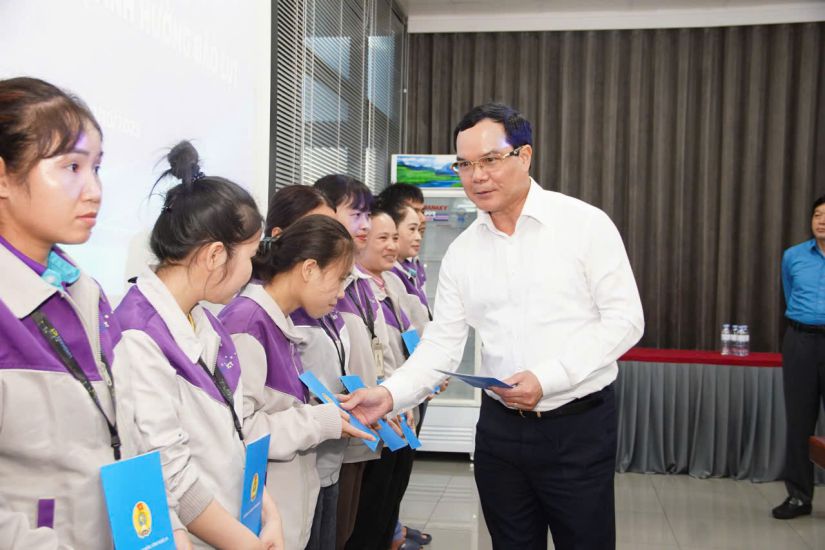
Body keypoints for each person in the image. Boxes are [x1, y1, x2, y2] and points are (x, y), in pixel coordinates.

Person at [342, 102, 644, 550]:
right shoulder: (464, 252)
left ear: (524, 156)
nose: (476, 176)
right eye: (465, 164)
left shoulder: (584, 225)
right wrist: (388, 395)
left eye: (489, 161)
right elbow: (442, 346)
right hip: (500, 431)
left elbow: (625, 320)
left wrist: (548, 377)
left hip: (576, 426)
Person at [114, 141, 282, 549]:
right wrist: (242, 540)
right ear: (214, 255)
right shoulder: (138, 336)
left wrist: (267, 510)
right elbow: (169, 474)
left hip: (233, 525)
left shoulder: (203, 320)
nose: (250, 270)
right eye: (248, 256)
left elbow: (235, 431)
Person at [0, 76, 140, 549]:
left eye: (97, 167)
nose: (95, 190)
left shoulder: (86, 293)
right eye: (72, 167)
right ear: (3, 176)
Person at [219, 213, 373, 550]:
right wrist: (321, 420)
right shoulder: (248, 323)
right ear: (309, 269)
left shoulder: (276, 321)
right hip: (261, 518)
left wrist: (334, 409)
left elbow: (279, 408)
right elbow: (241, 432)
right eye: (340, 277)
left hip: (286, 510)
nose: (342, 292)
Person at [773, 194, 825, 520]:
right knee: (799, 422)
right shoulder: (793, 256)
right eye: (817, 214)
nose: (822, 220)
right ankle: (799, 497)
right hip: (801, 341)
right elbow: (789, 293)